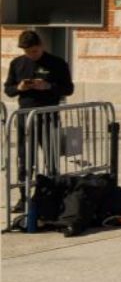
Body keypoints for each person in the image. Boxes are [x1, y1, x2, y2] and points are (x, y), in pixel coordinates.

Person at [8, 30, 76, 203]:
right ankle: (24, 197)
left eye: (34, 51)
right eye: (27, 51)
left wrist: (48, 86)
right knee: (25, 158)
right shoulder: (17, 63)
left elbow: (68, 89)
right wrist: (19, 88)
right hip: (25, 118)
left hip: (48, 116)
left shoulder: (57, 63)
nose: (31, 55)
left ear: (41, 46)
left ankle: (52, 195)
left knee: (51, 157)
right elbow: (8, 89)